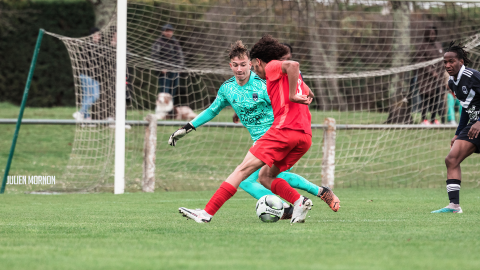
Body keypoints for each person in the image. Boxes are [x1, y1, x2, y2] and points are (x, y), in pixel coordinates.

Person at [175, 35, 339, 223]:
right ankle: (300, 201)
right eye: (236, 65)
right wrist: (302, 92)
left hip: (281, 132)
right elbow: (304, 87)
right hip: (304, 137)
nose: (249, 69)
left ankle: (206, 213)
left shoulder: (271, 67)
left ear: (257, 62)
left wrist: (293, 95)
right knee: (266, 177)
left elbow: (293, 65)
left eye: (249, 64)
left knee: (241, 173)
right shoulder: (284, 78)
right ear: (231, 65)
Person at [431, 42, 480, 214]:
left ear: (461, 61)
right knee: (451, 159)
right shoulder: (452, 83)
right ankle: (454, 206)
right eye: (445, 62)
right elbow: (466, 108)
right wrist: (458, 133)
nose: (447, 65)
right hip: (474, 127)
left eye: (451, 61)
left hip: (479, 123)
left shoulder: (473, 76)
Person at [151, 24, 184, 114]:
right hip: (164, 72)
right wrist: (161, 68)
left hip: (175, 71)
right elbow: (154, 56)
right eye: (167, 30)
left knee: (172, 92)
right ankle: (161, 111)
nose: (169, 32)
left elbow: (180, 56)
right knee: (164, 92)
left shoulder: (175, 42)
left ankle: (169, 111)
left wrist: (180, 67)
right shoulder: (158, 42)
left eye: (170, 31)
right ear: (163, 32)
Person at [73, 27, 102, 122]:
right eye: (96, 35)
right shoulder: (88, 46)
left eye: (99, 35)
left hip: (94, 77)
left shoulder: (100, 47)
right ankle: (81, 113)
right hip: (86, 76)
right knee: (94, 96)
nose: (98, 37)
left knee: (87, 97)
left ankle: (86, 117)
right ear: (91, 36)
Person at [416, 26, 444, 125]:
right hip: (425, 78)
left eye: (434, 33)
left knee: (435, 100)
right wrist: (431, 71)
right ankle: (424, 119)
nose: (433, 36)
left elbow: (441, 59)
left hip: (437, 78)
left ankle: (433, 119)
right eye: (431, 33)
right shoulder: (422, 46)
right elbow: (421, 60)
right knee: (425, 99)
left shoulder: (438, 45)